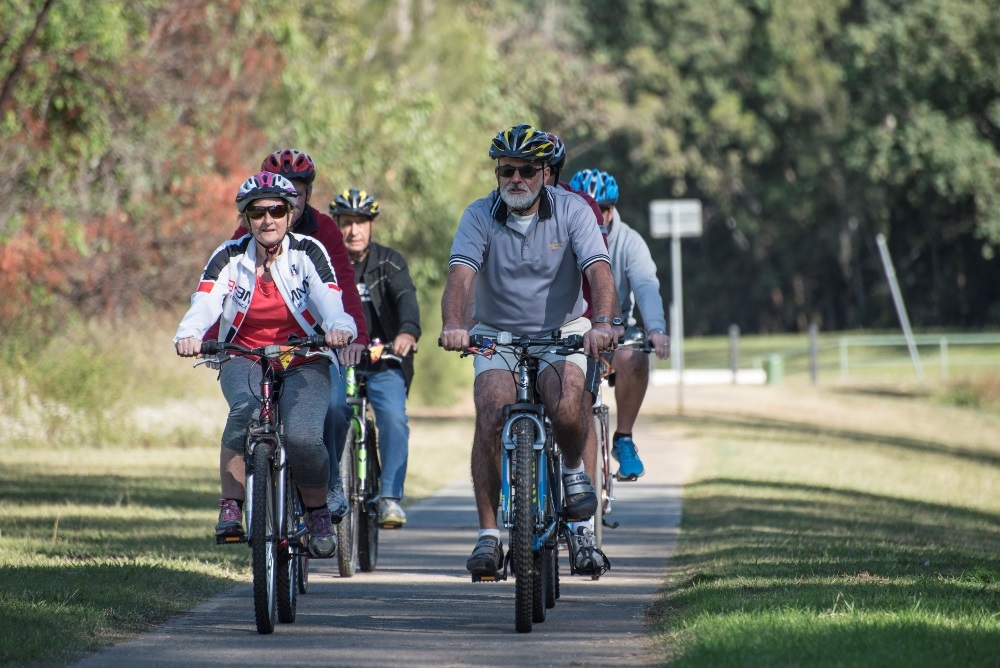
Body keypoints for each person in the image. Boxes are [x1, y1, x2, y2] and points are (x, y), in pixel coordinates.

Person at [440, 123, 617, 578]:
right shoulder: (478, 216)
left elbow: (599, 272)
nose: (516, 179)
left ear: (545, 174)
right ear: (497, 174)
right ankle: (488, 536)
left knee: (567, 399)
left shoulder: (574, 211)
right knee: (490, 411)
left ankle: (575, 473)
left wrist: (601, 326)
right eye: (506, 171)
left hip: (563, 328)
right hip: (496, 332)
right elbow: (460, 277)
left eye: (526, 170)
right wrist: (454, 325)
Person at [174, 171, 357, 559]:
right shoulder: (229, 256)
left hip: (306, 355)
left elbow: (329, 297)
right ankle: (231, 507)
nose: (268, 219)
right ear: (246, 219)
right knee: (244, 410)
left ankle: (317, 512)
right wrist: (189, 333)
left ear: (290, 214)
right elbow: (205, 299)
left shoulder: (308, 252)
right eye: (258, 212)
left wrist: (340, 327)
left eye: (276, 210)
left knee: (305, 436)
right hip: (244, 354)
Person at [209, 149, 369, 520]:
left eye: (297, 192)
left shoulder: (323, 230)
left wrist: (353, 336)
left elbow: (342, 285)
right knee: (248, 413)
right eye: (283, 193)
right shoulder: (249, 232)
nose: (289, 202)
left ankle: (328, 483)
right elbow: (223, 286)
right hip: (256, 351)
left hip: (315, 342)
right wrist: (202, 335)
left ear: (307, 194)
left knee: (335, 408)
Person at [327, 188, 421, 528]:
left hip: (384, 361)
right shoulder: (324, 262)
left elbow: (406, 299)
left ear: (372, 226)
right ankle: (326, 490)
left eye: (361, 223)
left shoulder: (389, 261)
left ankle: (390, 497)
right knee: (326, 414)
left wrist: (407, 332)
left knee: (394, 419)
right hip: (337, 361)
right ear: (336, 225)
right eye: (347, 223)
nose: (354, 230)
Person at [569, 169, 671, 480]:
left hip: (613, 335)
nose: (592, 214)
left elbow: (645, 285)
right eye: (582, 205)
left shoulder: (629, 242)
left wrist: (655, 328)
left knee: (636, 358)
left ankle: (623, 438)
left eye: (599, 208)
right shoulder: (558, 231)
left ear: (611, 211)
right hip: (567, 333)